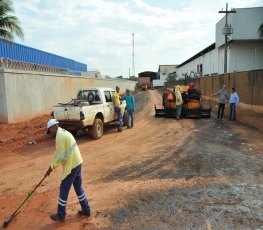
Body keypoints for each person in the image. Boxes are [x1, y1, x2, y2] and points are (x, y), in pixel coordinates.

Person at [45, 119, 91, 222]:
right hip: (77, 162)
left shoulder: (60, 136)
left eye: (50, 131)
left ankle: (61, 215)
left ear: (53, 127)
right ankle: (86, 209)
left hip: (72, 165)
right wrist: (50, 167)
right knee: (78, 188)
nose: (50, 134)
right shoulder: (62, 133)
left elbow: (60, 156)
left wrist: (51, 167)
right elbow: (57, 153)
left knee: (64, 188)